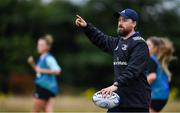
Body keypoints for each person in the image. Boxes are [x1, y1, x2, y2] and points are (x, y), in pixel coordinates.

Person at [75, 8, 151, 112]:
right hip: (118, 101)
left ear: (134, 23)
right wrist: (87, 27)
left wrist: (115, 85)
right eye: (119, 20)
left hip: (136, 103)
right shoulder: (118, 42)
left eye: (125, 20)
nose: (120, 23)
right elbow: (101, 39)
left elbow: (133, 70)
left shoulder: (139, 44)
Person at [27, 35, 62, 113]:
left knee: (35, 111)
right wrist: (32, 63)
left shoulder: (49, 58)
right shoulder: (42, 58)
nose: (38, 46)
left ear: (48, 47)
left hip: (44, 87)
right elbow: (38, 70)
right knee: (47, 110)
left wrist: (42, 70)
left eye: (41, 45)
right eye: (38, 44)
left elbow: (58, 71)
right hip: (48, 88)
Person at [146, 37, 175, 112]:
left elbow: (152, 77)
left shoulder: (151, 59)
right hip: (162, 96)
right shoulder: (159, 60)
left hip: (155, 96)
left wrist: (140, 89)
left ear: (155, 48)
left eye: (148, 45)